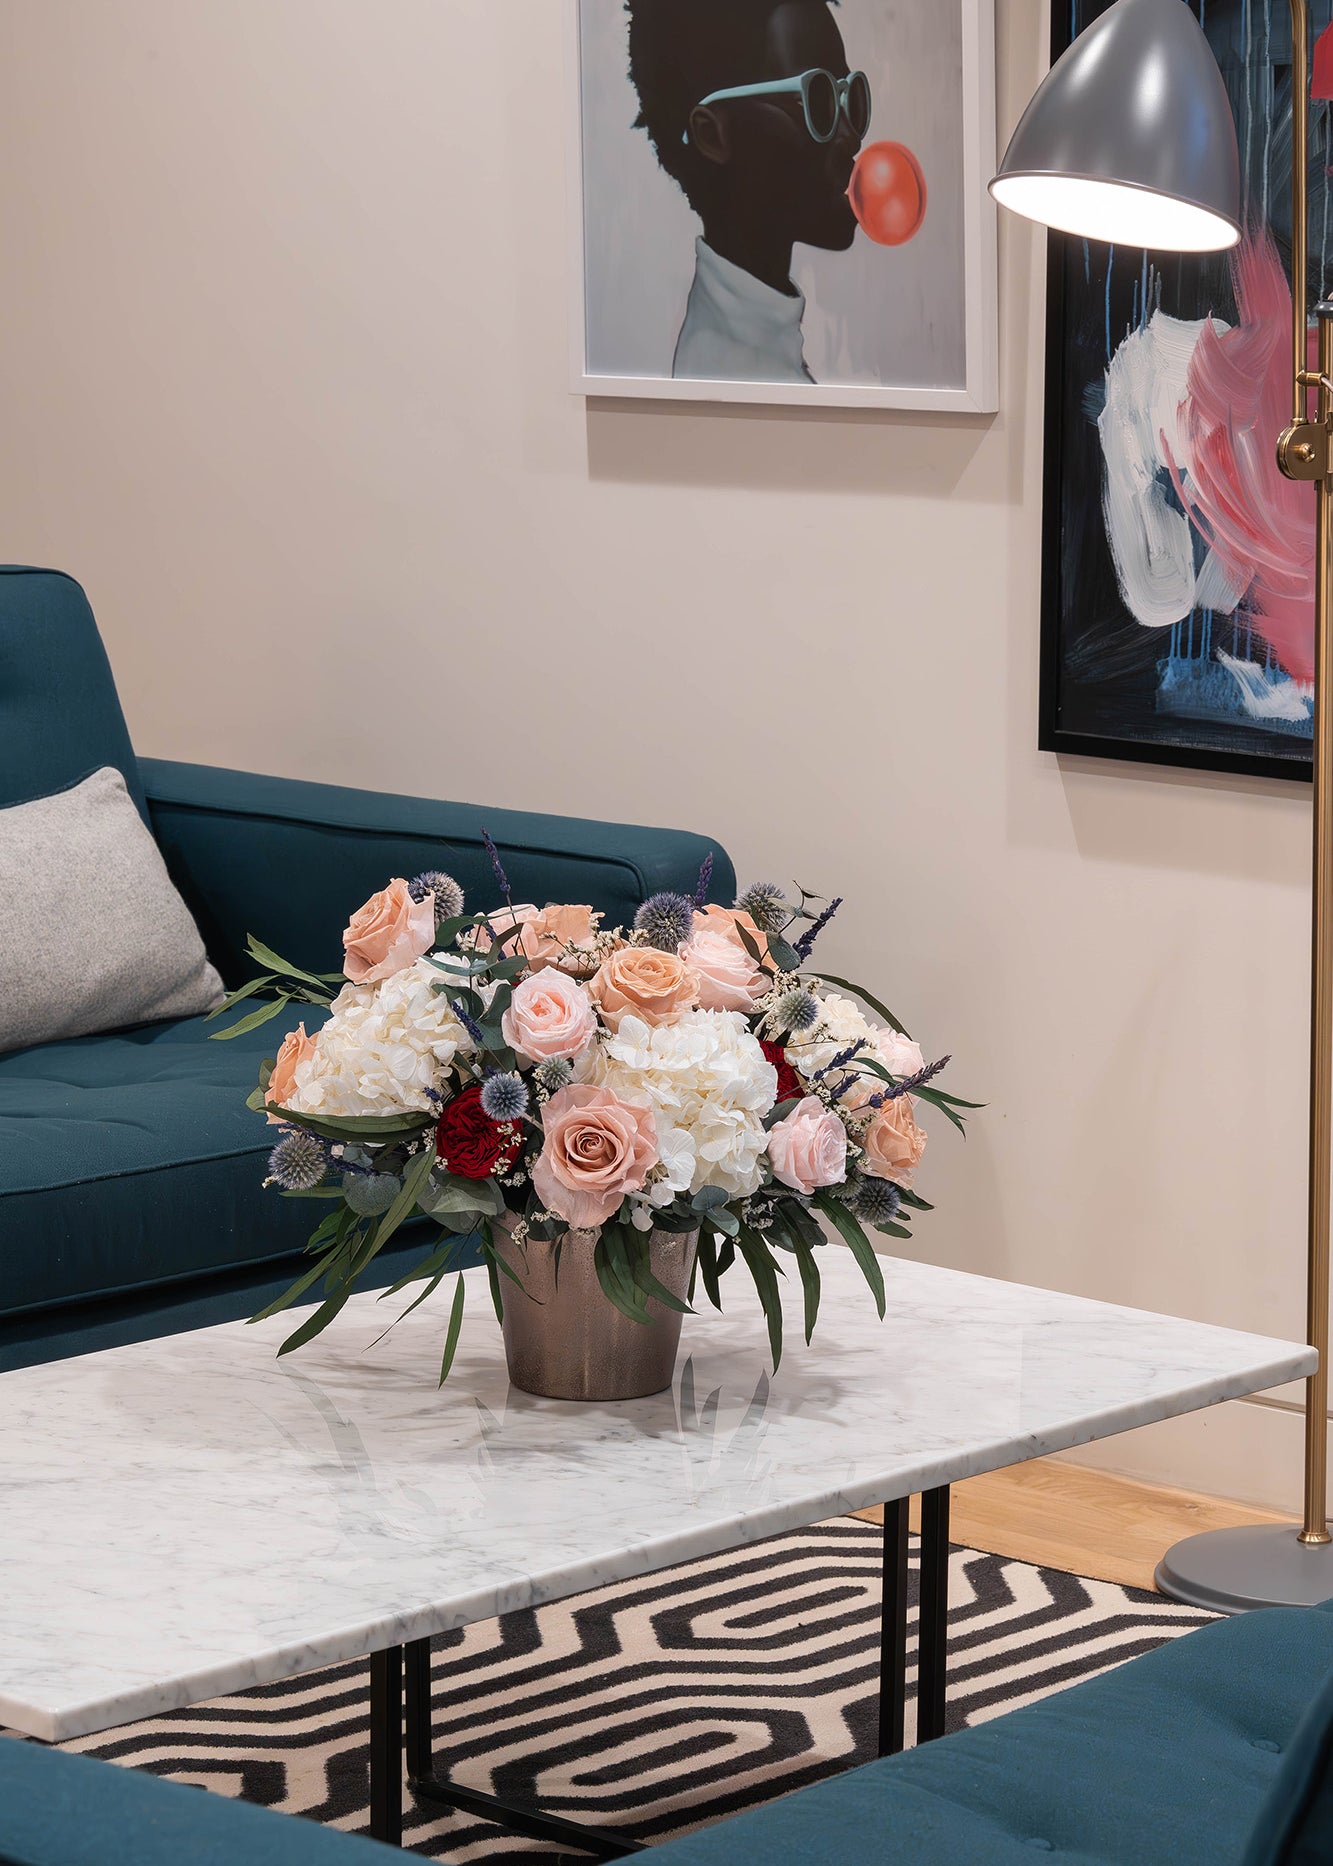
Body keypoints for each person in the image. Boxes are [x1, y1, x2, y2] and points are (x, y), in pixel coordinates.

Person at [626, 0, 870, 384]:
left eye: (849, 97)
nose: (849, 137)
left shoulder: (756, 347)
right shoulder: (736, 368)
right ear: (712, 134)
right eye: (817, 101)